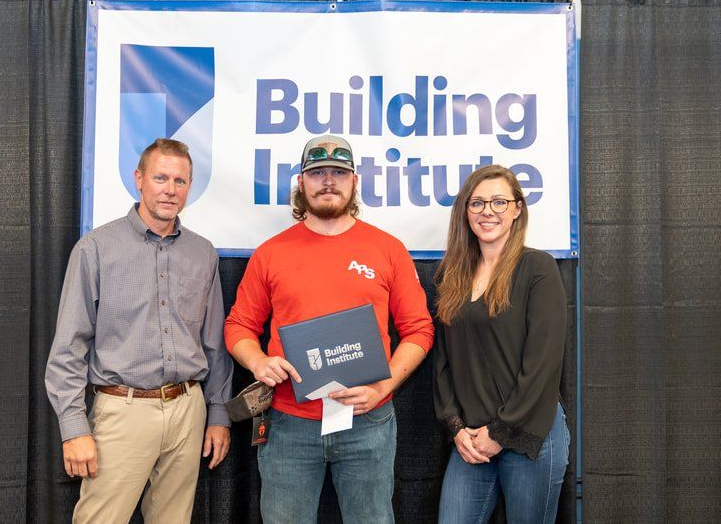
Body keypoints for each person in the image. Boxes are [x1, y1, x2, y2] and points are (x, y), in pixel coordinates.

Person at [224, 135, 434, 524]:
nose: (328, 181)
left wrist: (383, 387)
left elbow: (419, 330)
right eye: (317, 172)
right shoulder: (271, 253)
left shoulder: (388, 249)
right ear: (301, 184)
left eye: (339, 172)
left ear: (354, 181)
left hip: (367, 422)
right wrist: (257, 362)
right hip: (289, 423)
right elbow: (239, 325)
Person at [45, 138, 233, 523]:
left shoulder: (203, 253)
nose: (170, 190)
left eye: (180, 181)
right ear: (139, 180)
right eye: (161, 178)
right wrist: (73, 427)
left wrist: (218, 414)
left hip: (188, 409)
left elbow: (214, 343)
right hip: (122, 411)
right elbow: (68, 348)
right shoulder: (96, 248)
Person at [433, 165, 569, 523]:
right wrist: (455, 427)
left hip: (529, 435)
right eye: (477, 203)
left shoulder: (537, 268)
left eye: (498, 202)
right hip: (472, 441)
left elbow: (544, 363)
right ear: (465, 211)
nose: (487, 211)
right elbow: (444, 361)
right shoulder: (452, 275)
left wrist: (501, 432)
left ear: (517, 209)